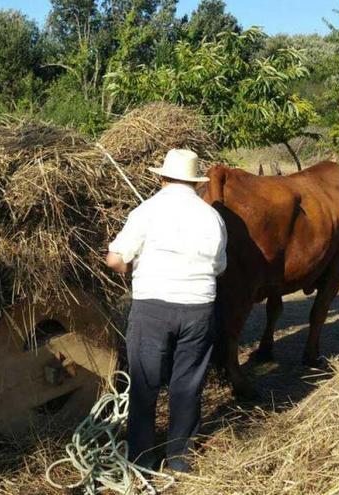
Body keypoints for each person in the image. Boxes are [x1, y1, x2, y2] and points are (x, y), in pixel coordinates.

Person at [105, 149, 227, 473]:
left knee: (145, 383)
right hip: (199, 309)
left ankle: (143, 459)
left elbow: (115, 260)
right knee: (187, 384)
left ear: (162, 178)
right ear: (196, 184)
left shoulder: (146, 211)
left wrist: (129, 265)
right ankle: (179, 458)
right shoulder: (212, 217)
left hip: (152, 308)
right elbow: (219, 267)